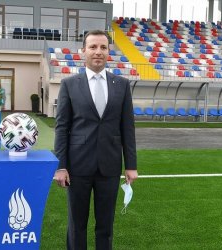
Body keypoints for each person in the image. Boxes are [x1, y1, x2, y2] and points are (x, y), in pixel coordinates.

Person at [54, 30, 138, 250]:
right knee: (77, 225)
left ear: (109, 52)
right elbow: (62, 127)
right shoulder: (69, 84)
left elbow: (127, 128)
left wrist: (131, 165)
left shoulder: (121, 84)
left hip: (109, 167)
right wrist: (60, 166)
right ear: (83, 52)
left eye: (103, 47)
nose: (98, 52)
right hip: (77, 166)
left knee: (105, 226)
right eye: (93, 47)